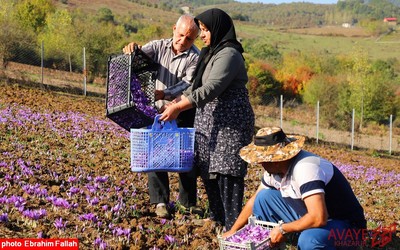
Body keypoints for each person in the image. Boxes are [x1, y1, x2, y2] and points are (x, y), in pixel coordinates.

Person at [159, 8, 255, 230]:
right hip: (209, 120)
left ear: (219, 29)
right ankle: (215, 218)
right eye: (201, 30)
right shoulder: (210, 53)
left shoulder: (229, 54)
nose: (202, 34)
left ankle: (232, 226)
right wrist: (175, 103)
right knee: (207, 169)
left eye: (205, 30)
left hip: (230, 122)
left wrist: (181, 106)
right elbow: (196, 85)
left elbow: (212, 87)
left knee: (226, 171)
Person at [223, 126, 367, 249]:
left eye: (263, 160)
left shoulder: (305, 168)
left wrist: (282, 228)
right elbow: (254, 201)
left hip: (347, 228)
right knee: (263, 198)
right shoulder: (275, 171)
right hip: (317, 219)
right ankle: (271, 244)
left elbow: (318, 218)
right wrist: (234, 231)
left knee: (309, 240)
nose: (260, 164)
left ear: (277, 159)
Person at [123, 14, 200, 218]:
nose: (183, 41)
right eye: (181, 35)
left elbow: (188, 84)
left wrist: (165, 94)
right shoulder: (158, 46)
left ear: (195, 39)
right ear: (174, 29)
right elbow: (139, 58)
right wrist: (132, 48)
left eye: (189, 38)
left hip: (181, 110)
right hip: (157, 110)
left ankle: (187, 202)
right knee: (156, 155)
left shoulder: (195, 57)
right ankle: (160, 202)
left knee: (185, 155)